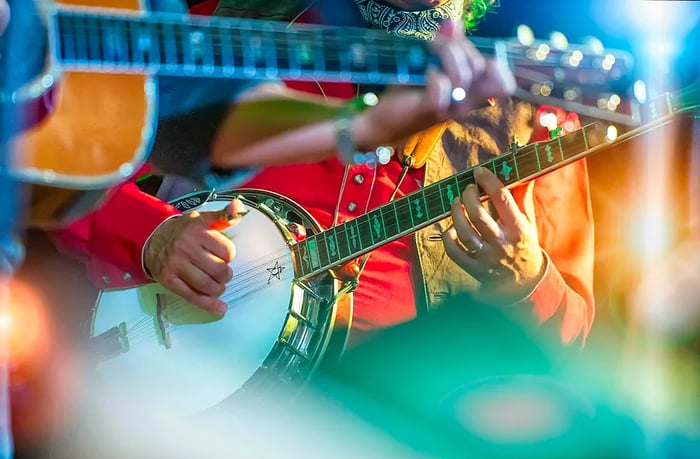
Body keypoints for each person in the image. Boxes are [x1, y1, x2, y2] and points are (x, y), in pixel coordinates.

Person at [2, 0, 513, 315]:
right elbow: (65, 160)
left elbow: (191, 111)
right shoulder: (234, 26)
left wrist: (359, 127)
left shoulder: (521, 120)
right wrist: (150, 235)